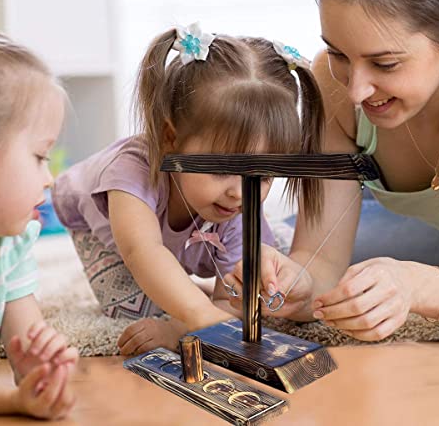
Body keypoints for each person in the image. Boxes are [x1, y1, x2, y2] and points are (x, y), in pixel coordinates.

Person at [226, 0, 439, 342]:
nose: (356, 91)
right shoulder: (331, 81)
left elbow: (411, 284)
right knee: (292, 255)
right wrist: (298, 285)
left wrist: (415, 285)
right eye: (340, 53)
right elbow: (321, 264)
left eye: (386, 64)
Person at [52, 23, 324, 354]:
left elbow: (233, 303)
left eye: (262, 176)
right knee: (134, 309)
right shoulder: (130, 172)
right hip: (104, 226)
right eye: (223, 169)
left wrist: (183, 330)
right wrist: (199, 314)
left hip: (191, 232)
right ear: (171, 138)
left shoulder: (237, 202)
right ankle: (184, 288)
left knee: (263, 282)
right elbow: (143, 252)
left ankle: (199, 279)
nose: (240, 193)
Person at [0, 31, 78, 418]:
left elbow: (25, 343)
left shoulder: (10, 242)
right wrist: (11, 402)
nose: (49, 177)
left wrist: (43, 370)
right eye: (40, 156)